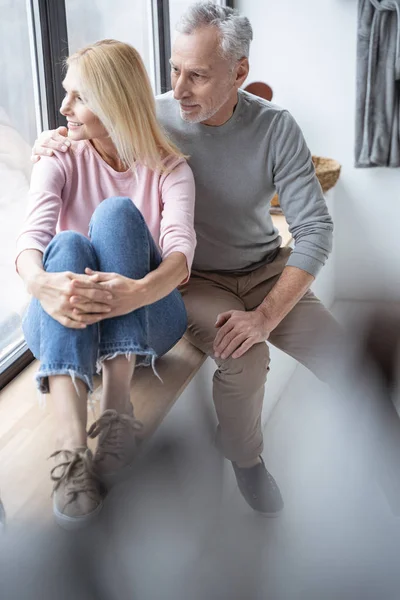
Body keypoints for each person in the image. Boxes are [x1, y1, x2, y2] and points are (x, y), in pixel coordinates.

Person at [32, 3, 341, 517]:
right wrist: (50, 140)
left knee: (348, 362)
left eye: (197, 76)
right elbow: (88, 124)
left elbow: (314, 230)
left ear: (239, 72)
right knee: (244, 356)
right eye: (175, 70)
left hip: (266, 270)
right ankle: (246, 460)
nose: (179, 89)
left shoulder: (275, 128)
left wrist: (266, 316)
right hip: (193, 281)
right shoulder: (149, 114)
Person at [17, 39, 196, 529]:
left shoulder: (169, 169)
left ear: (115, 102)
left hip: (149, 320)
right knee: (68, 245)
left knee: (117, 214)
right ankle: (71, 451)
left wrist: (133, 291)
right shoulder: (57, 154)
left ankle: (117, 409)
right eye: (64, 94)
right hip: (65, 317)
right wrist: (42, 284)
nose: (63, 108)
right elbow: (31, 239)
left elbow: (181, 258)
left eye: (78, 97)